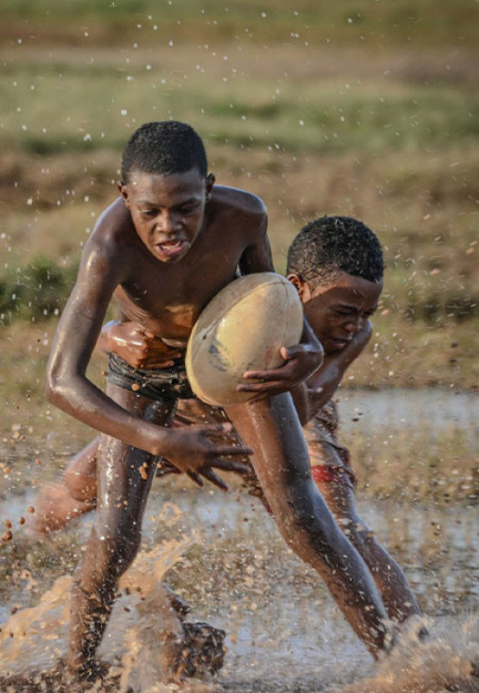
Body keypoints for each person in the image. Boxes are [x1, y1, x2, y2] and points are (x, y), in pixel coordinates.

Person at [45, 121, 392, 690]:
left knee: (306, 516)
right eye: (151, 211)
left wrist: (303, 352)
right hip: (146, 366)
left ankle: (398, 661)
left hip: (236, 362)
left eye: (185, 207)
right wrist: (160, 441)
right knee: (116, 535)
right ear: (123, 195)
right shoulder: (108, 248)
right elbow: (61, 381)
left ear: (209, 187)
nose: (169, 227)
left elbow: (275, 300)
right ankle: (74, 671)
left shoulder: (246, 218)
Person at [34, 215, 422, 627]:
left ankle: (414, 648)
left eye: (366, 313)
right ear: (295, 288)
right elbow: (132, 327)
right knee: (81, 482)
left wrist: (276, 417)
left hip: (295, 413)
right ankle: (29, 539)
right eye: (344, 311)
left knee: (340, 529)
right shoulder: (239, 305)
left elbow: (306, 408)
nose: (354, 325)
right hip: (196, 411)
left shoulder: (354, 336)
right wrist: (113, 334)